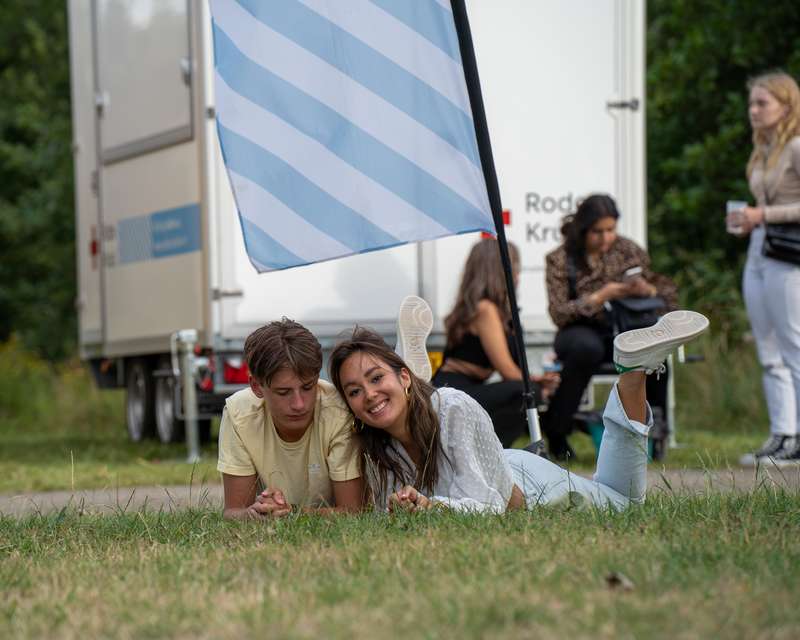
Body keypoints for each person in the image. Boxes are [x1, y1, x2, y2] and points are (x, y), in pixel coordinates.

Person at [329, 308, 709, 513]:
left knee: (624, 504)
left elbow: (488, 506)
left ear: (401, 377)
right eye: (355, 391)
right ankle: (407, 377)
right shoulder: (375, 445)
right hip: (489, 463)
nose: (369, 395)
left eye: (377, 379)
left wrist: (431, 507)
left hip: (529, 485)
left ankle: (632, 369)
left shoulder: (455, 408)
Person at [543, 194, 678, 459]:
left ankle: (655, 431)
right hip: (580, 329)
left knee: (653, 353)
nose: (606, 238)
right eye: (598, 232)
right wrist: (599, 297)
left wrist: (647, 290)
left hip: (624, 326)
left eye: (611, 230)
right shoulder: (560, 258)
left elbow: (666, 293)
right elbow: (558, 312)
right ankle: (557, 430)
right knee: (586, 348)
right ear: (583, 229)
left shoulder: (628, 250)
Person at [217, 319, 364, 518]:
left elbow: (353, 511)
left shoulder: (338, 411)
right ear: (256, 386)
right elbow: (233, 511)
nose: (299, 404)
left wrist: (290, 513)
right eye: (283, 392)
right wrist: (255, 515)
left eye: (308, 387)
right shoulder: (238, 412)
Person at [728, 71, 800, 464]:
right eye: (751, 103)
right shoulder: (763, 149)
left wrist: (764, 215)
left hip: (788, 254)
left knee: (794, 344)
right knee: (768, 347)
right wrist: (749, 221)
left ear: (786, 107)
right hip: (760, 246)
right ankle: (782, 433)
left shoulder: (796, 147)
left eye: (762, 103)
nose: (753, 110)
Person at [431, 239, 559, 447]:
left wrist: (535, 380)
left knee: (530, 389)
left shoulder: (491, 310)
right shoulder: (485, 310)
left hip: (462, 389)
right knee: (528, 393)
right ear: (499, 271)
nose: (517, 276)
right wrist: (536, 383)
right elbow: (507, 369)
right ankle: (492, 452)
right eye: (514, 268)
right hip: (453, 391)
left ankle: (488, 450)